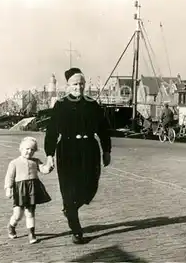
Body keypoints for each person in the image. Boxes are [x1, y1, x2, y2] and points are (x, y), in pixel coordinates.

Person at [44, 67, 111, 245]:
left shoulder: (92, 104)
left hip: (89, 149)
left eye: (81, 83)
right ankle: (76, 229)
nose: (79, 87)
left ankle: (70, 209)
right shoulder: (61, 105)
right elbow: (51, 132)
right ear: (67, 86)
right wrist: (49, 155)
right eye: (75, 84)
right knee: (69, 190)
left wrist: (107, 150)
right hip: (67, 149)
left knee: (90, 188)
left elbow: (104, 129)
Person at [4, 137, 52, 244]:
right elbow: (9, 177)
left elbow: (43, 169)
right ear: (21, 149)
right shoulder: (14, 163)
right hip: (20, 190)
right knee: (18, 214)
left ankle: (31, 233)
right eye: (27, 149)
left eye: (32, 150)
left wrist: (48, 167)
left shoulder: (35, 161)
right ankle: (11, 226)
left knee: (30, 212)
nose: (29, 152)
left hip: (32, 189)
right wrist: (8, 188)